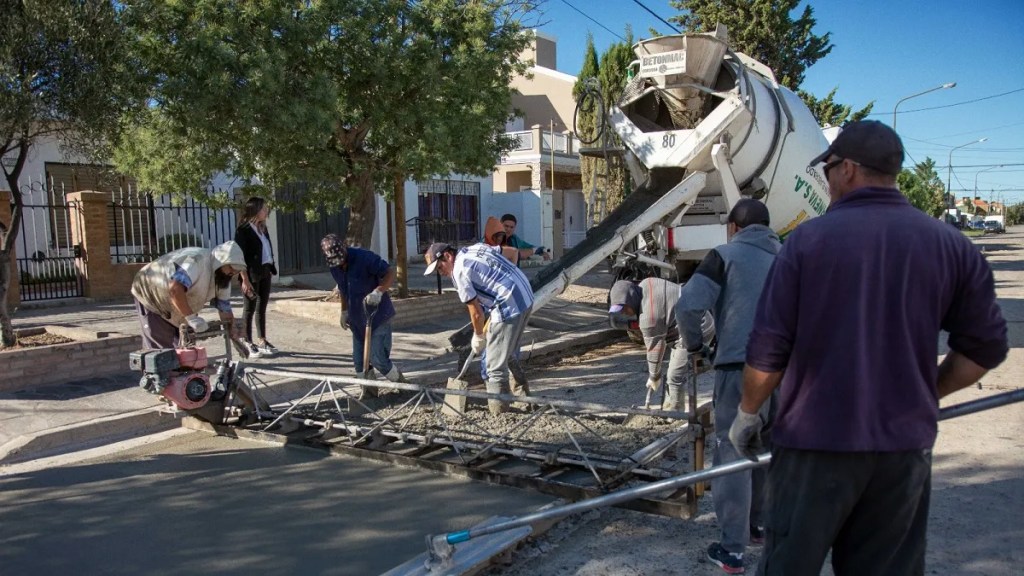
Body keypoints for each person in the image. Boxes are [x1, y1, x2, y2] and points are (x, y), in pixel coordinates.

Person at [729, 121, 1009, 576]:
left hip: (814, 447)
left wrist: (747, 414)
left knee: (788, 567)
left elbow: (768, 351)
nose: (826, 179)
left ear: (850, 170)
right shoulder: (952, 246)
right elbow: (986, 348)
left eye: (829, 168)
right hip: (901, 452)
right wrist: (926, 393)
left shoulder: (805, 244)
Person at [676, 198, 781, 574]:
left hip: (741, 369)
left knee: (734, 453)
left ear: (733, 227)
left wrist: (694, 346)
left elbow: (688, 305)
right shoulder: (790, 257)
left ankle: (732, 550)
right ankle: (759, 526)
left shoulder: (724, 255)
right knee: (766, 449)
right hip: (788, 373)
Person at [424, 241, 534, 415]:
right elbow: (512, 252)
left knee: (494, 366)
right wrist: (502, 282)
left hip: (507, 305)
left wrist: (478, 335)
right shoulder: (476, 248)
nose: (442, 273)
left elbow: (476, 313)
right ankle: (525, 400)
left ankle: (500, 413)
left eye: (439, 268)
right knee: (507, 352)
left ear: (447, 256)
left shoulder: (459, 271)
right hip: (524, 294)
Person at [321, 234, 405, 397]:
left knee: (378, 358)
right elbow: (343, 288)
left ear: (344, 248)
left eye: (342, 260)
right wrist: (344, 311)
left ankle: (404, 386)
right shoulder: (334, 265)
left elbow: (389, 273)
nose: (341, 264)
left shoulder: (364, 258)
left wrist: (378, 291)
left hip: (378, 315)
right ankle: (370, 392)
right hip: (357, 320)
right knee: (360, 363)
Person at [607, 277, 703, 411]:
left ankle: (675, 413)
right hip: (684, 325)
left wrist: (654, 376)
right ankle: (670, 407)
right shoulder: (647, 283)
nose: (623, 313)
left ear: (631, 298)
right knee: (674, 369)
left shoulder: (649, 316)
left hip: (697, 328)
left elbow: (655, 349)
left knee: (675, 375)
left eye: (624, 308)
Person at [131, 241, 247, 349]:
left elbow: (224, 307)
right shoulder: (196, 261)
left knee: (183, 348)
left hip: (175, 302)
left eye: (237, 270)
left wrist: (232, 330)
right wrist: (191, 318)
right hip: (151, 292)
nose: (233, 273)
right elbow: (175, 289)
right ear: (221, 262)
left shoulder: (223, 279)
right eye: (231, 268)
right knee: (161, 349)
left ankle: (179, 369)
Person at [234, 196, 279, 359]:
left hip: (265, 271)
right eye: (263, 209)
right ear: (255, 210)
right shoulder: (243, 230)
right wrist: (244, 279)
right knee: (249, 308)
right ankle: (247, 341)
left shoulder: (262, 228)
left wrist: (270, 268)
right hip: (250, 274)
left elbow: (267, 249)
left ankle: (262, 340)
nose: (266, 211)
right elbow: (238, 257)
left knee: (262, 307)